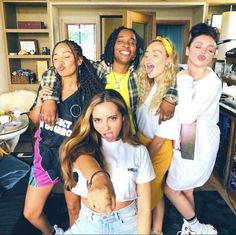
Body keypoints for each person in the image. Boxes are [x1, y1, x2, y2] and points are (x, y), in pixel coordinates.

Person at [23, 39, 115, 235]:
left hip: (73, 158)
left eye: (67, 56)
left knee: (74, 209)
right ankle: (54, 232)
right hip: (45, 154)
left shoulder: (89, 91)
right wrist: (41, 103)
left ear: (79, 60)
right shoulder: (49, 88)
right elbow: (33, 119)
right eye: (56, 58)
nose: (60, 62)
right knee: (31, 213)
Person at [39, 26, 178, 132]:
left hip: (131, 139)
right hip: (99, 138)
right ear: (112, 46)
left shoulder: (140, 75)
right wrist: (50, 98)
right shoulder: (97, 70)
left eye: (132, 42)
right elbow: (57, 68)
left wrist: (170, 98)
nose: (126, 45)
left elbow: (173, 72)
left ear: (136, 51)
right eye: (120, 41)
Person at [60, 89, 155, 234]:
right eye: (98, 120)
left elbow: (144, 209)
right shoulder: (81, 148)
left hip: (127, 223)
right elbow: (84, 160)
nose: (105, 127)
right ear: (91, 121)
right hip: (88, 223)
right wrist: (99, 177)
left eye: (112, 118)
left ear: (123, 117)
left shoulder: (139, 151)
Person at [164, 23, 222, 235]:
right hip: (185, 136)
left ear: (214, 54)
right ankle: (190, 228)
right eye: (198, 46)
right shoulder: (182, 72)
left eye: (210, 49)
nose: (203, 52)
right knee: (185, 188)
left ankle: (198, 227)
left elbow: (188, 117)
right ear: (188, 49)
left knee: (170, 188)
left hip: (196, 139)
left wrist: (185, 82)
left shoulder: (211, 82)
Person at [136, 36, 180, 235]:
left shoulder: (171, 93)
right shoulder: (150, 84)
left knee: (145, 196)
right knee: (156, 190)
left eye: (156, 54)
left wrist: (141, 160)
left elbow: (162, 137)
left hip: (157, 148)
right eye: (147, 55)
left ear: (168, 61)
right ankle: (158, 229)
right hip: (143, 141)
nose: (148, 59)